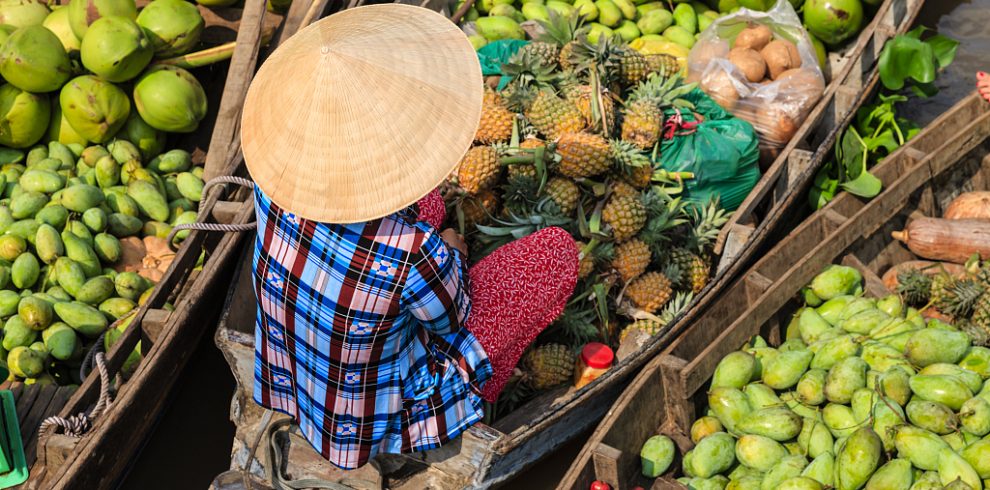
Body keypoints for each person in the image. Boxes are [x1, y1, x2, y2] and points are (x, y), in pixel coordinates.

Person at [239, 5, 579, 470]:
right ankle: (466, 407)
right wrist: (452, 254)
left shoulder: (273, 180)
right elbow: (452, 321)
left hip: (296, 370)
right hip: (377, 413)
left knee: (430, 205)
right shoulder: (413, 251)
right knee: (552, 254)